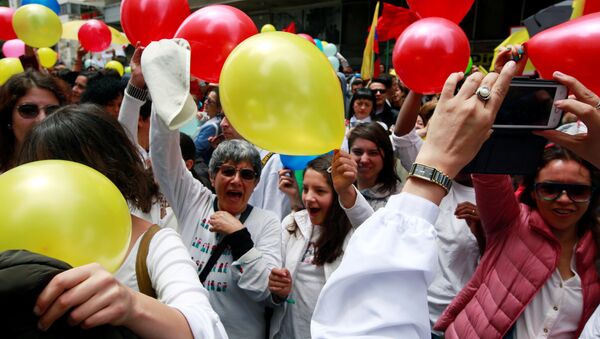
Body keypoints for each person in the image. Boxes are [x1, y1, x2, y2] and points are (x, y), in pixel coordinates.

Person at [310, 61, 519, 338]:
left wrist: (480, 229)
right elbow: (381, 241)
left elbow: (385, 250)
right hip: (421, 313)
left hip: (454, 319)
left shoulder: (493, 196)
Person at [18, 104, 227, 339]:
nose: (62, 187)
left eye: (80, 169)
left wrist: (132, 305)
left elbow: (208, 330)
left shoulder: (155, 244)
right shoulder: (20, 237)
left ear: (114, 166)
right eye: (46, 176)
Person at [435, 143, 600, 338]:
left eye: (578, 191)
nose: (564, 199)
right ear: (532, 191)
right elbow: (489, 170)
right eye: (549, 189)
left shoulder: (595, 247)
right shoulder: (511, 221)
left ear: (592, 195)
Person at [151, 107, 282, 339]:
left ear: (256, 182)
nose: (236, 180)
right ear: (212, 177)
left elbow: (264, 290)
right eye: (228, 171)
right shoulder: (194, 200)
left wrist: (241, 238)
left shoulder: (268, 223)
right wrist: (162, 98)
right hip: (187, 331)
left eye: (247, 175)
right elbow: (164, 156)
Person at [268, 152, 374, 338]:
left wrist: (346, 190)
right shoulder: (292, 224)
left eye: (320, 191)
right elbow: (273, 292)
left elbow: (374, 231)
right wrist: (278, 293)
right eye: (306, 189)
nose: (309, 198)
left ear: (337, 195)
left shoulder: (355, 235)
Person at [0, 70, 66, 173]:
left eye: (52, 110)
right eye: (28, 110)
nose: (42, 118)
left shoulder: (73, 161)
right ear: (8, 117)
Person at [347, 122, 402, 210]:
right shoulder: (337, 190)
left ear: (386, 156)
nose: (364, 159)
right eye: (358, 152)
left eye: (373, 153)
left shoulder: (398, 200)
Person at [194, 88, 224, 165]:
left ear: (219, 108)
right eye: (207, 98)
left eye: (210, 101)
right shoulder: (212, 118)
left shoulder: (212, 127)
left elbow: (195, 150)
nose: (205, 102)